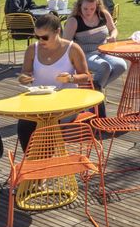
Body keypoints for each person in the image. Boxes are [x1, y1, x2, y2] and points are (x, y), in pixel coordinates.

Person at [15, 13, 95, 148]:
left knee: (47, 126)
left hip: (65, 103)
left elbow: (86, 76)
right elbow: (25, 73)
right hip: (38, 101)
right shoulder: (32, 49)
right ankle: (33, 159)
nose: (41, 41)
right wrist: (24, 78)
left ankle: (45, 158)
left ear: (57, 31)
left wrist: (70, 78)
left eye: (45, 37)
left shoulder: (72, 49)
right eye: (37, 37)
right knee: (24, 125)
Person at [63, 0, 126, 90]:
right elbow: (66, 43)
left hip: (103, 51)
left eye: (92, 9)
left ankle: (96, 89)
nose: (88, 12)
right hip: (83, 54)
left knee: (121, 65)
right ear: (79, 6)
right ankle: (96, 91)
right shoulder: (74, 21)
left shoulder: (103, 14)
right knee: (104, 67)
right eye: (85, 9)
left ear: (97, 7)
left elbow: (113, 29)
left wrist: (113, 36)